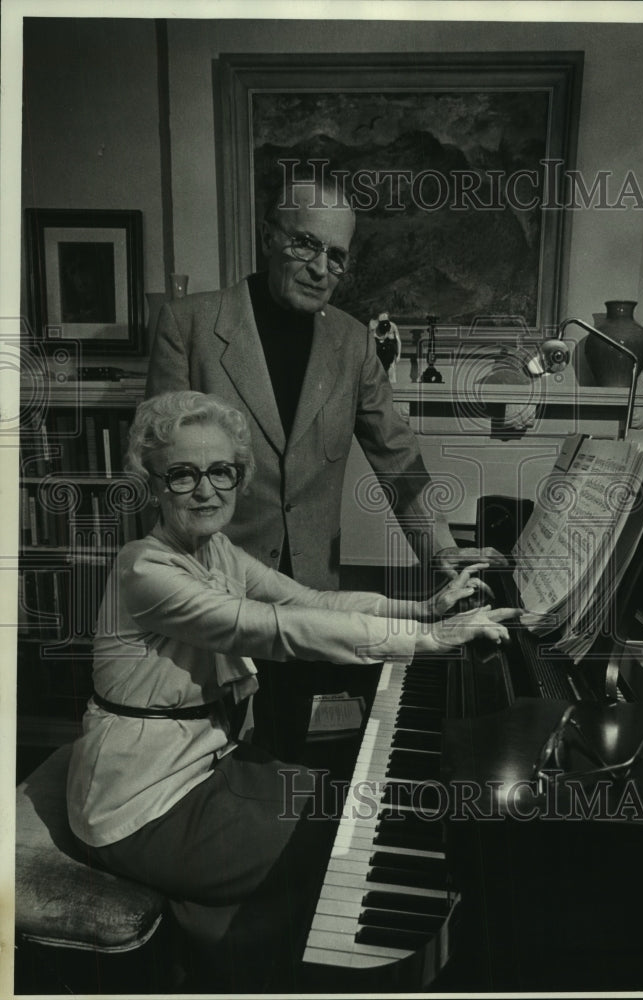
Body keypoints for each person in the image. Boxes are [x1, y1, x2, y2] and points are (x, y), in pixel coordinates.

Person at [66, 390, 519, 991]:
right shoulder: (145, 569)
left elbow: (309, 601)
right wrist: (428, 642)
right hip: (140, 800)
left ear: (239, 477)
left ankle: (221, 951)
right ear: (152, 483)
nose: (206, 490)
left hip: (203, 765)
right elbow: (279, 629)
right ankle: (239, 964)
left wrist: (422, 609)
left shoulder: (219, 551)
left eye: (221, 471)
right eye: (182, 474)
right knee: (337, 843)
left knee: (350, 806)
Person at [145, 168, 501, 755]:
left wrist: (445, 555)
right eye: (305, 243)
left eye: (337, 256)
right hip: (210, 590)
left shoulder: (355, 343)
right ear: (267, 237)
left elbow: (399, 459)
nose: (321, 268)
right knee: (209, 753)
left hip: (310, 589)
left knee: (287, 752)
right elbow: (161, 469)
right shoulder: (189, 325)